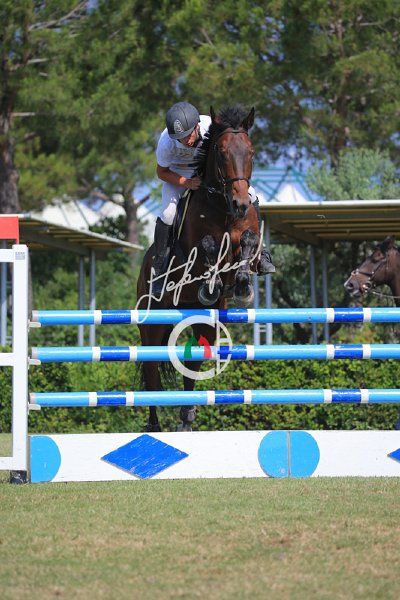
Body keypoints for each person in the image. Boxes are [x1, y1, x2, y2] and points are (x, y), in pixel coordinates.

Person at [152, 101, 274, 295]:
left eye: (188, 134)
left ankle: (262, 253)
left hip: (206, 172)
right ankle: (159, 269)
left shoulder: (211, 126)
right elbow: (161, 172)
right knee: (168, 214)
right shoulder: (166, 141)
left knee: (251, 194)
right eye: (181, 138)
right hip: (177, 175)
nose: (186, 140)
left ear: (197, 126)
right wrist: (186, 182)